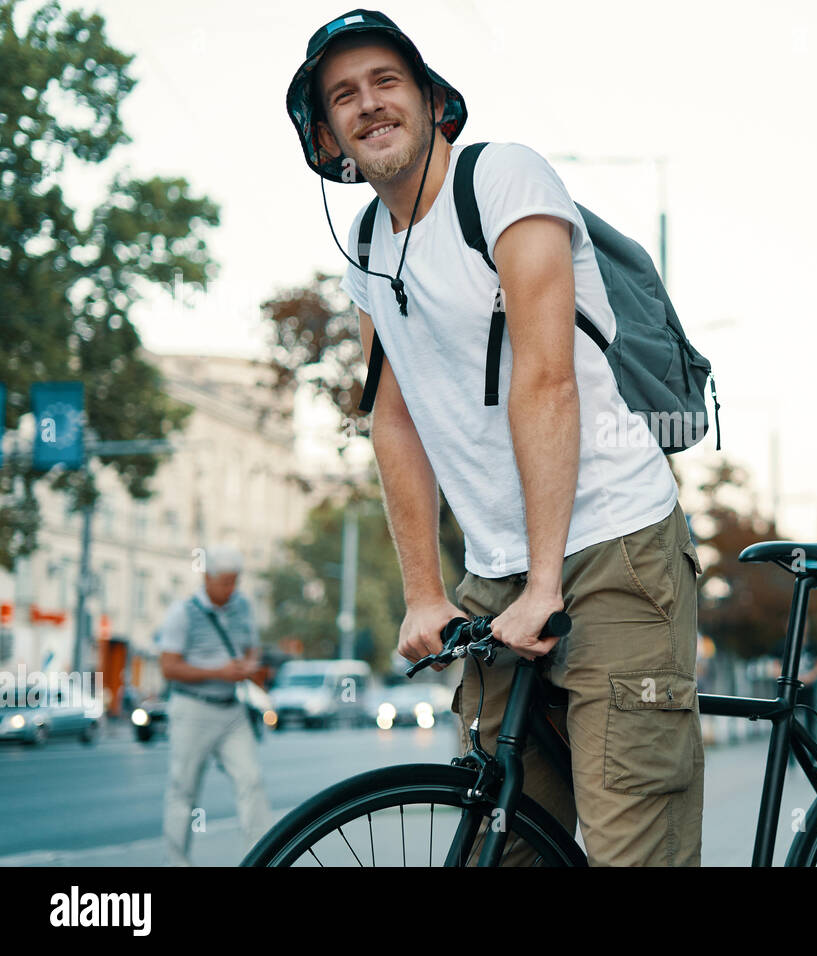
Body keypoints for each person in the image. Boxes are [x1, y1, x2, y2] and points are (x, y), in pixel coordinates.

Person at [286, 10, 704, 866]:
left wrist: (545, 582)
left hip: (612, 544)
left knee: (635, 845)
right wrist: (423, 593)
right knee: (505, 844)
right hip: (495, 571)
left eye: (385, 81)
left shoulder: (504, 181)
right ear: (325, 135)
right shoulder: (366, 248)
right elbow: (393, 421)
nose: (368, 104)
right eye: (343, 96)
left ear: (433, 99)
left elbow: (545, 380)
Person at [158, 545, 272, 865]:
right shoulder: (183, 612)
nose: (231, 589)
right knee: (184, 789)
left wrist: (248, 665)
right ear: (207, 578)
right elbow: (169, 667)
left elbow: (253, 649)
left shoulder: (243, 607)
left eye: (235, 581)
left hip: (231, 709)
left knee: (251, 780)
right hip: (193, 709)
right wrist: (217, 672)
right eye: (225, 582)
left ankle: (261, 857)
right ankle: (177, 862)